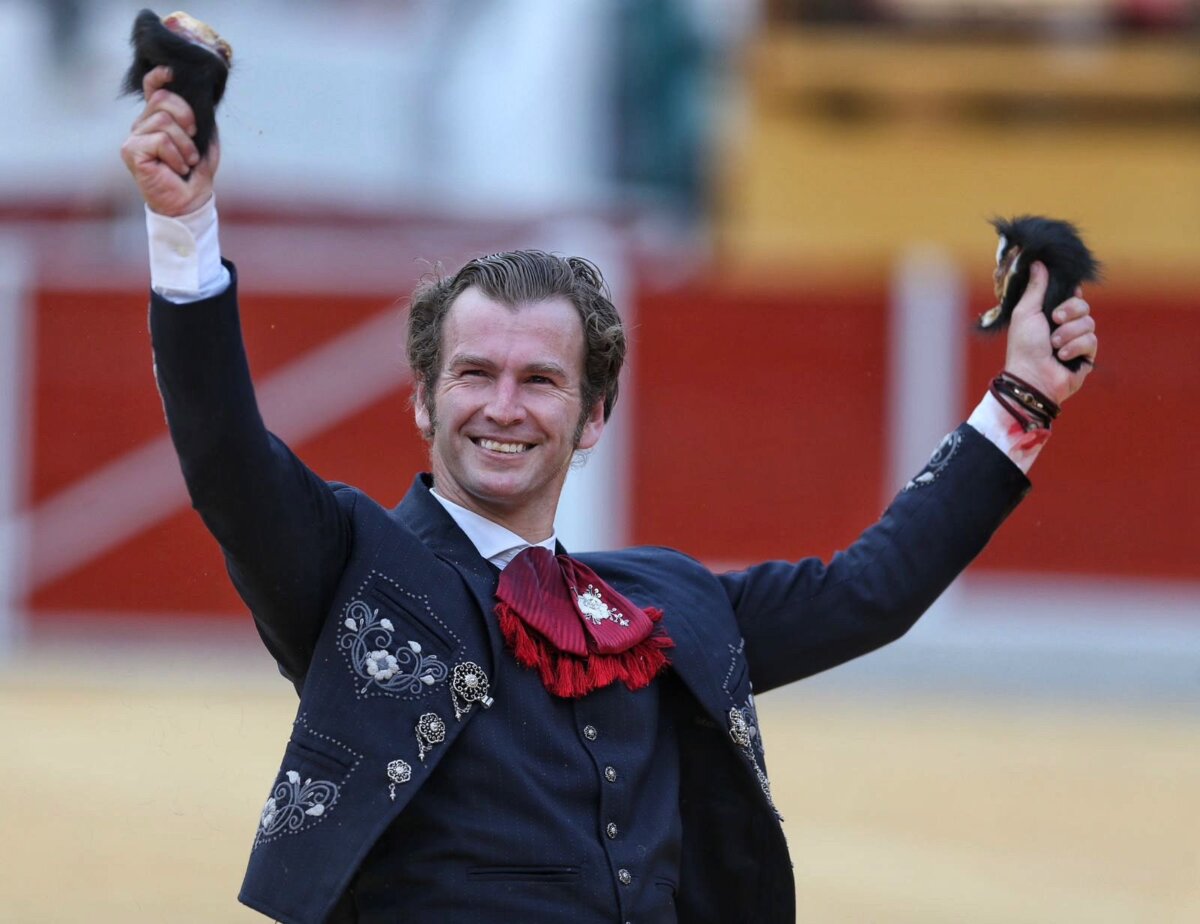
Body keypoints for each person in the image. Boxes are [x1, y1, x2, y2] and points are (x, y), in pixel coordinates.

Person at [122, 66, 1097, 924]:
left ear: (592, 417)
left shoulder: (667, 603)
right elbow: (224, 455)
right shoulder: (352, 570)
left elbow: (869, 591)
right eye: (474, 374)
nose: (503, 407)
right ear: (423, 397)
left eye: (540, 380)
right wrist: (183, 229)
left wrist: (1022, 403)